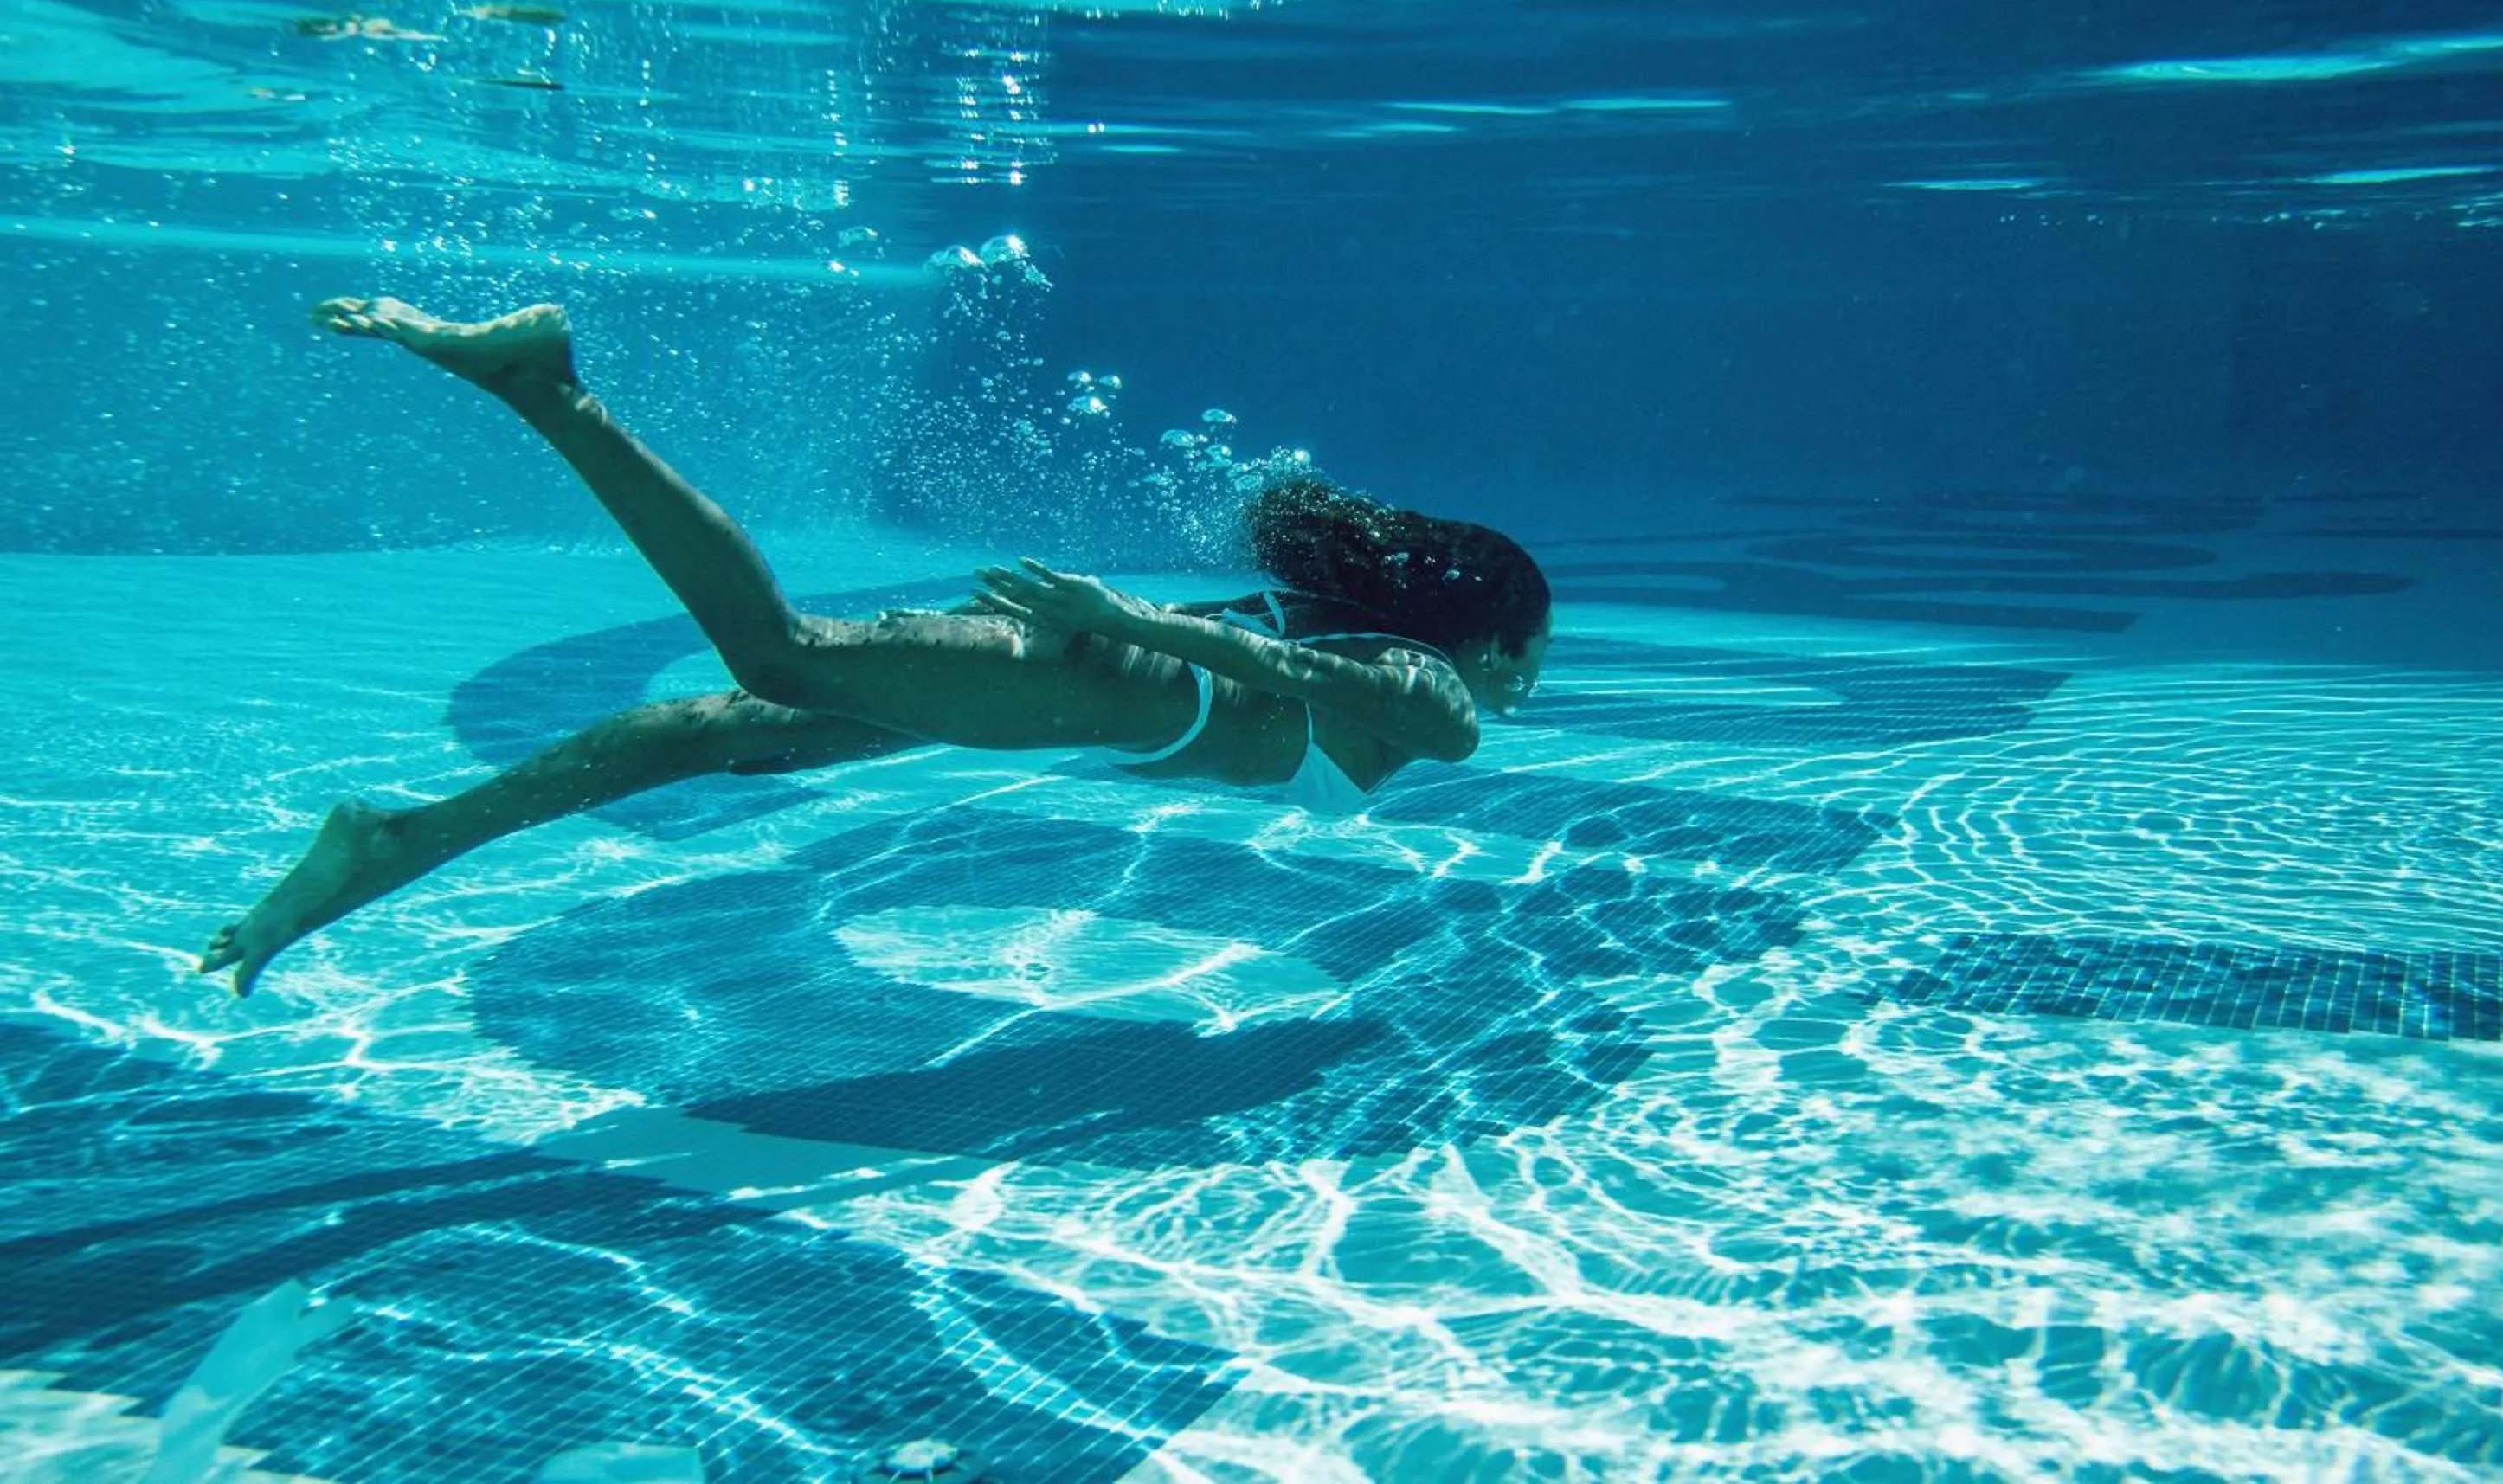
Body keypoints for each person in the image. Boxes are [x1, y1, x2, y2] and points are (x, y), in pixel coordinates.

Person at [200, 295, 1554, 996]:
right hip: (1105, 680)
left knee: (718, 730)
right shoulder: (1436, 696)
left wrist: (1116, 630)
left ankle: (395, 842)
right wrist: (1123, 621)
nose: (1530, 682)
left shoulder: (1368, 649)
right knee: (778, 656)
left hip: (1091, 687)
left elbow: (1305, 665)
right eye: (1530, 651)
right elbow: (1343, 686)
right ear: (1482, 633)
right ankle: (545, 387)